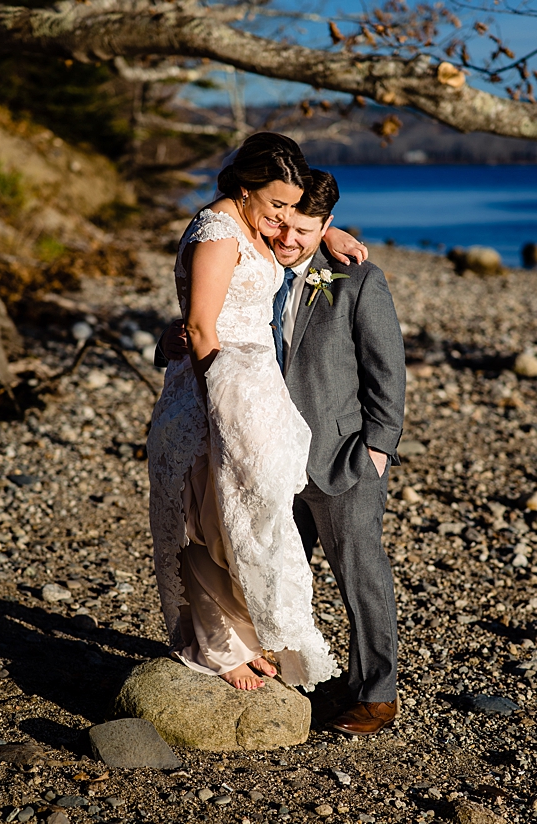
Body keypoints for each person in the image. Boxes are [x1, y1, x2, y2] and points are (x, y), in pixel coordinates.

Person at [158, 169, 406, 734]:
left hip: (338, 456)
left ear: (327, 226)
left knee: (359, 571)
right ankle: (295, 673)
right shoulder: (256, 259)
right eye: (284, 224)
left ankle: (376, 693)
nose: (289, 239)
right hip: (260, 448)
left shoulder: (356, 280)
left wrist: (377, 449)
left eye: (306, 229)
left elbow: (387, 373)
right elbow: (205, 316)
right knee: (263, 561)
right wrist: (166, 342)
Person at [147, 133, 341, 693]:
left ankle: (246, 636)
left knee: (251, 514)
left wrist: (331, 233)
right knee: (210, 517)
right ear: (244, 185)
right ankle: (218, 646)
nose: (282, 218)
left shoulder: (247, 222)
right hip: (218, 393)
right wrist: (220, 408)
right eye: (277, 204)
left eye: (290, 207)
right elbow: (204, 327)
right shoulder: (216, 233)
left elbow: (289, 241)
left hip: (255, 390)